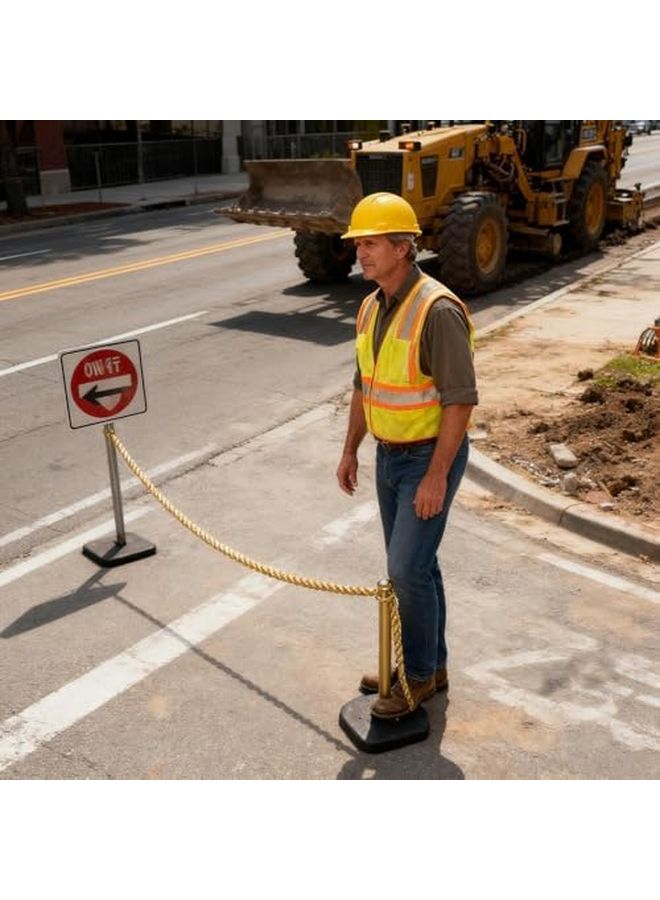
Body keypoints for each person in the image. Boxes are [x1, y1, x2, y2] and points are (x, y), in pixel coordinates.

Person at [336, 192, 478, 719]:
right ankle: (430, 665)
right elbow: (362, 384)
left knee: (405, 568)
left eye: (370, 243)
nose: (360, 253)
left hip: (427, 457)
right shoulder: (371, 306)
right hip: (388, 456)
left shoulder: (436, 310)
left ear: (403, 246)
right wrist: (350, 449)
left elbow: (460, 400)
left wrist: (437, 476)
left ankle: (416, 677)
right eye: (358, 243)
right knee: (418, 567)